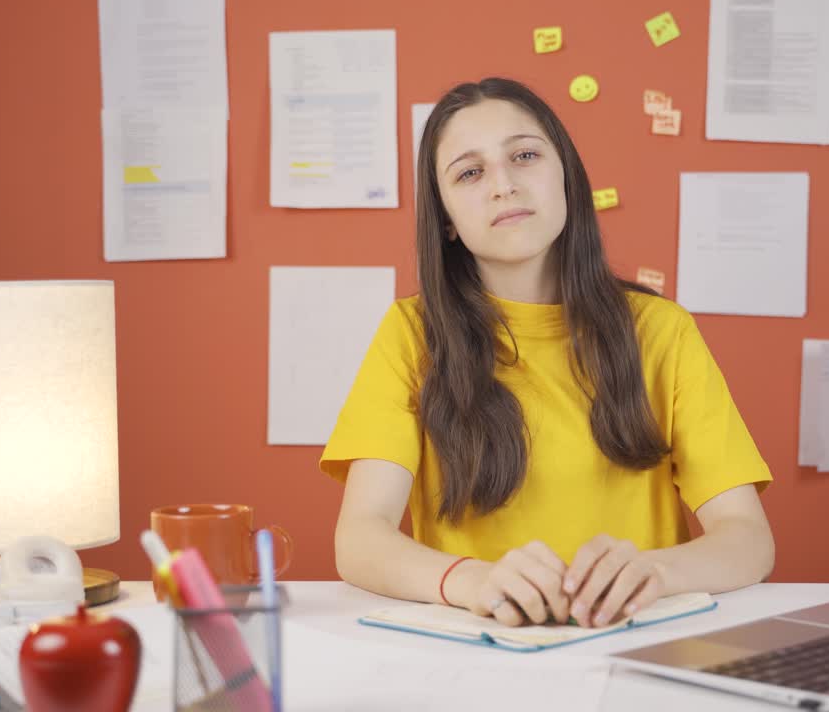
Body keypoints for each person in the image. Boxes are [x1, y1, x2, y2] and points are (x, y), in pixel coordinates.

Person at [321, 77, 774, 629]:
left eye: (525, 156)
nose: (503, 185)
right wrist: (473, 580)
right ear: (445, 220)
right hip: (483, 645)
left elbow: (748, 539)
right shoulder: (410, 335)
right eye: (470, 172)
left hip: (634, 642)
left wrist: (657, 573)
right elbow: (361, 539)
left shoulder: (662, 331)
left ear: (567, 178)